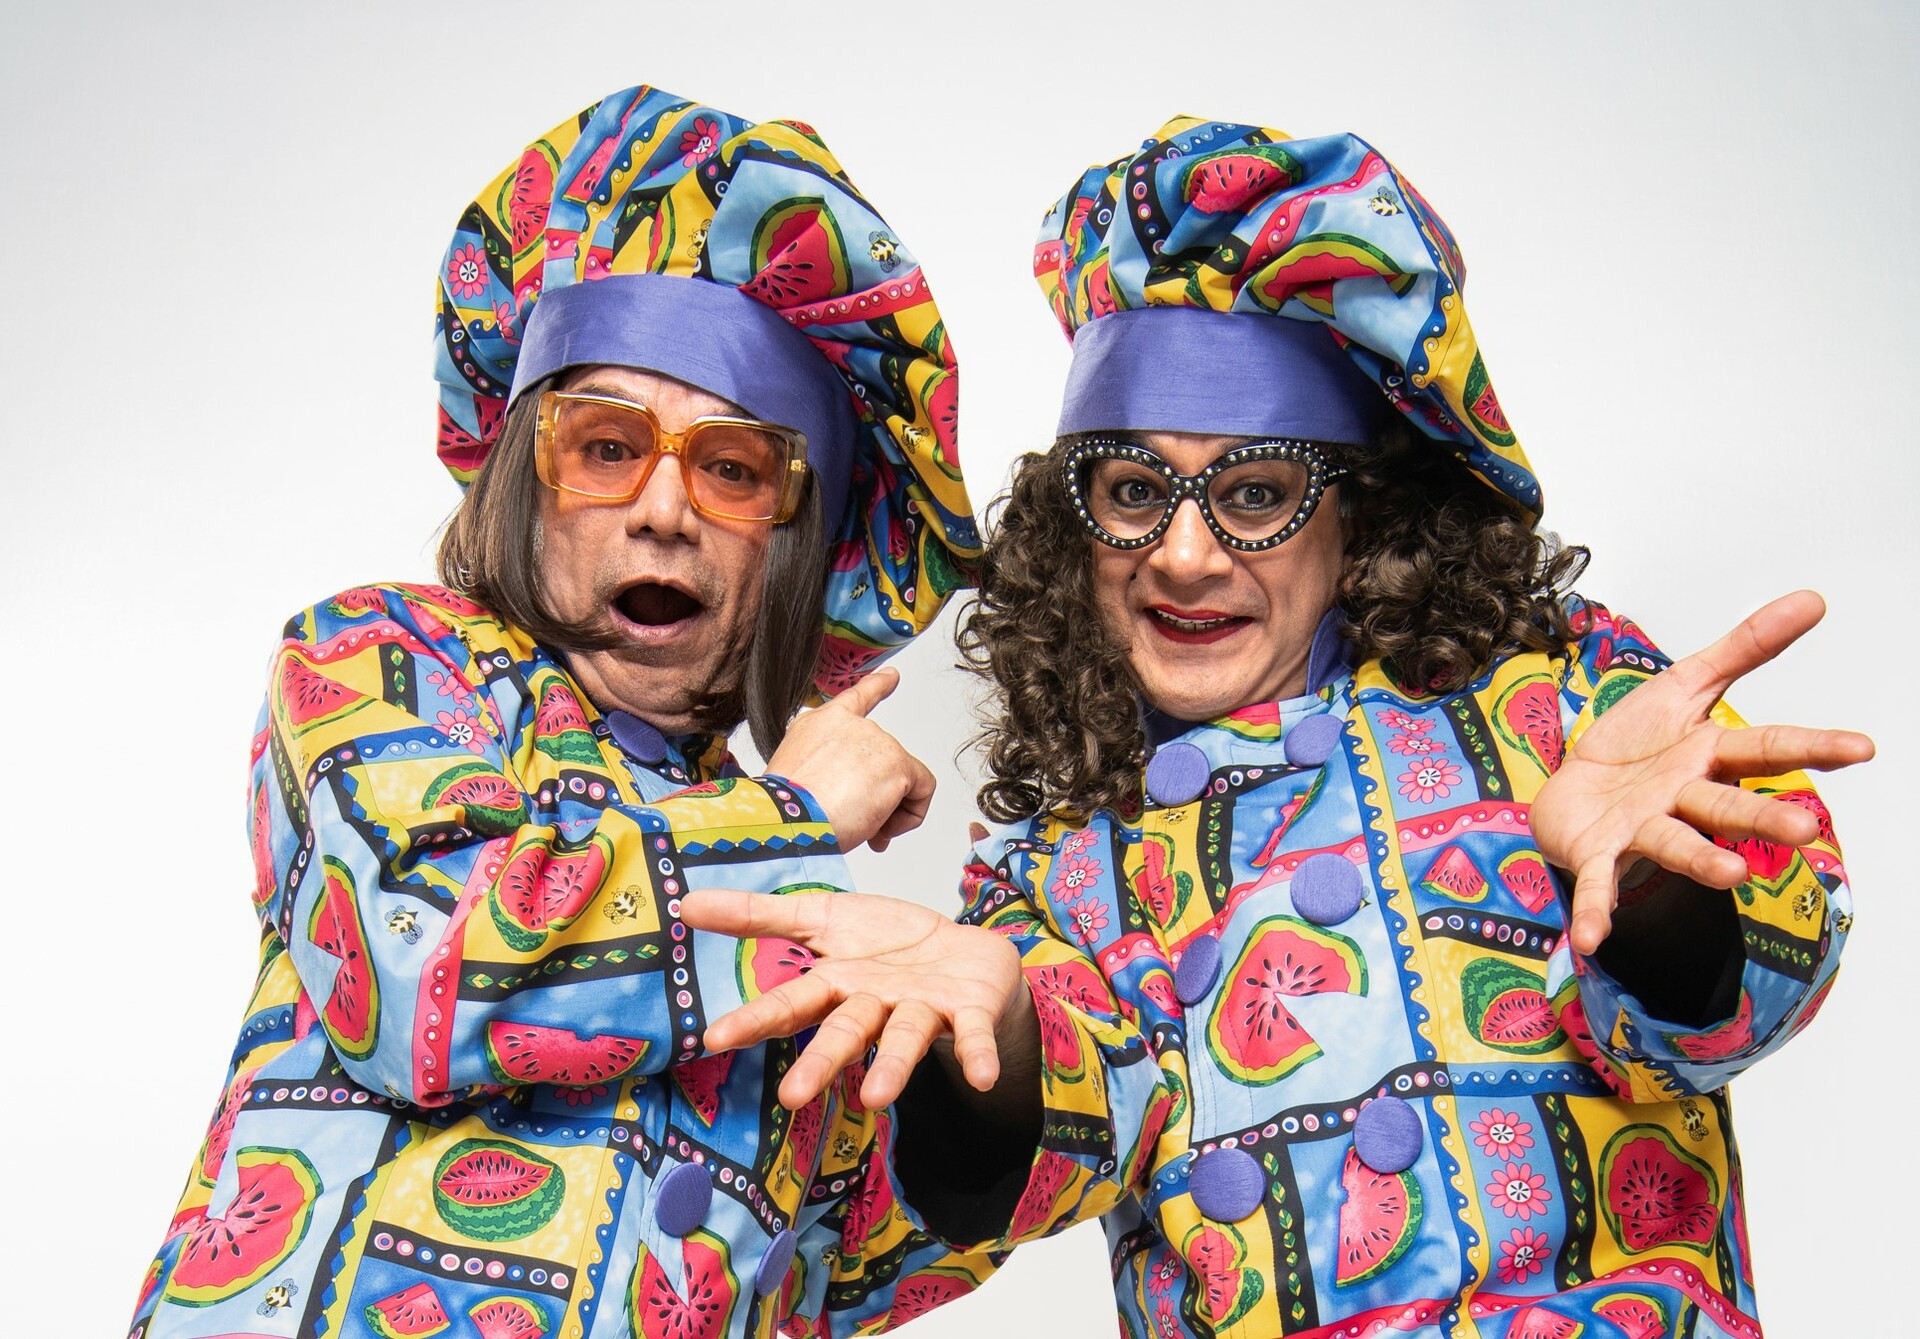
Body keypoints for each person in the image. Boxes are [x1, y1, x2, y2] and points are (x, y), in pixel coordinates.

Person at [691, 118, 1875, 1337]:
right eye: (1133, 491)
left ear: (1361, 511)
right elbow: (962, 1196)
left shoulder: (1566, 704)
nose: (1183, 554)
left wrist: (1655, 893)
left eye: (1256, 492)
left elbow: (1742, 1007)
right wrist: (994, 1041)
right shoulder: (1058, 876)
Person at [126, 83, 984, 1339]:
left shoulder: (808, 909)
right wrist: (792, 812)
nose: (664, 510)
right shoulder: (384, 658)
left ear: (794, 546)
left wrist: (994, 1027)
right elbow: (421, 974)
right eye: (607, 446)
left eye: (733, 469)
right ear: (529, 474)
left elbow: (852, 1265)